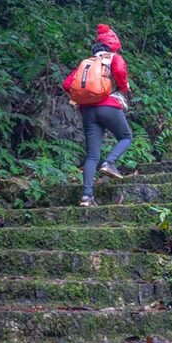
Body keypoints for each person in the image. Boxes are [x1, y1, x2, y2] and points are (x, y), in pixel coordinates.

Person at [63, 24, 132, 207]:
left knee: (92, 155)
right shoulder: (114, 58)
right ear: (112, 46)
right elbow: (120, 72)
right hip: (108, 106)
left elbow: (67, 83)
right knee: (126, 137)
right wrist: (123, 87)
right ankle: (109, 163)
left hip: (87, 111)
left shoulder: (86, 63)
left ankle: (86, 197)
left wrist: (83, 98)